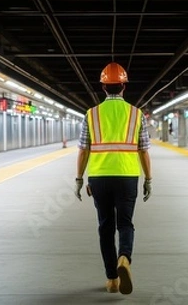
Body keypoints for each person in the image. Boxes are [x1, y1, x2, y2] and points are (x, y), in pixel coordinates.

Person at [74, 61, 153, 295]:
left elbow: (83, 149)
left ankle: (111, 280)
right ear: (124, 86)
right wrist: (149, 179)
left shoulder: (91, 114)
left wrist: (79, 179)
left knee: (105, 227)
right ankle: (124, 259)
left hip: (99, 178)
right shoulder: (137, 114)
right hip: (128, 177)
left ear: (103, 87)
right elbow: (144, 150)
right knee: (126, 224)